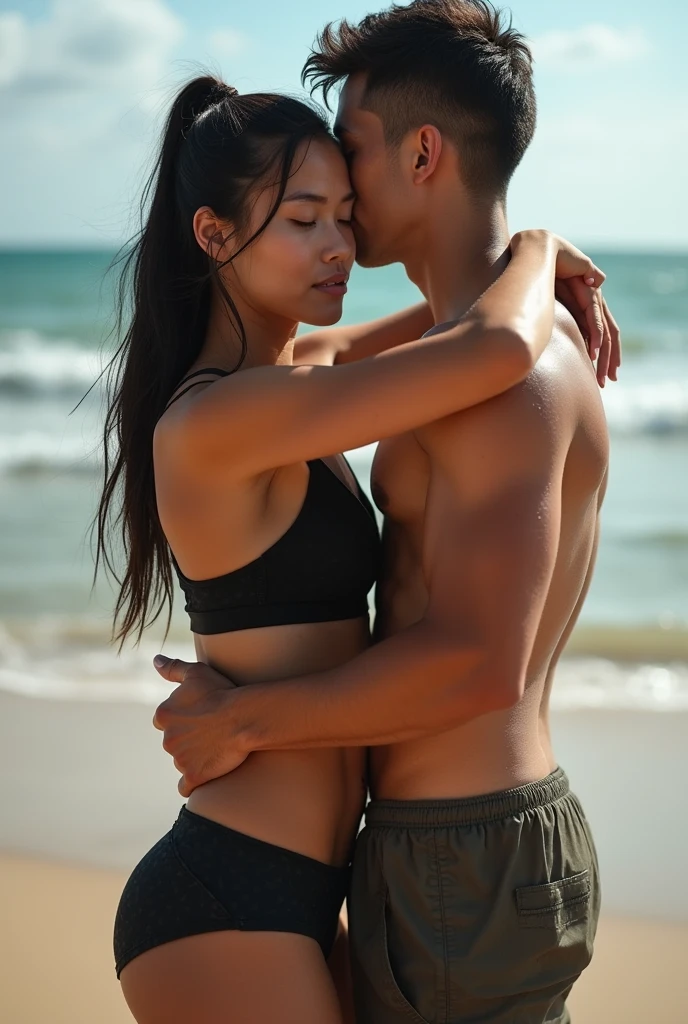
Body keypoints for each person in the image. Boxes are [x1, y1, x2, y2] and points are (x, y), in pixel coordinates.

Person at [151, 3, 619, 1023]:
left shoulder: (506, 375)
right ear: (216, 236)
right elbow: (467, 337)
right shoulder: (262, 402)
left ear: (419, 153)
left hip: (452, 847)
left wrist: (243, 716)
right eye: (303, 216)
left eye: (348, 162)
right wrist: (534, 256)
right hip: (362, 860)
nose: (342, 217)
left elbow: (476, 661)